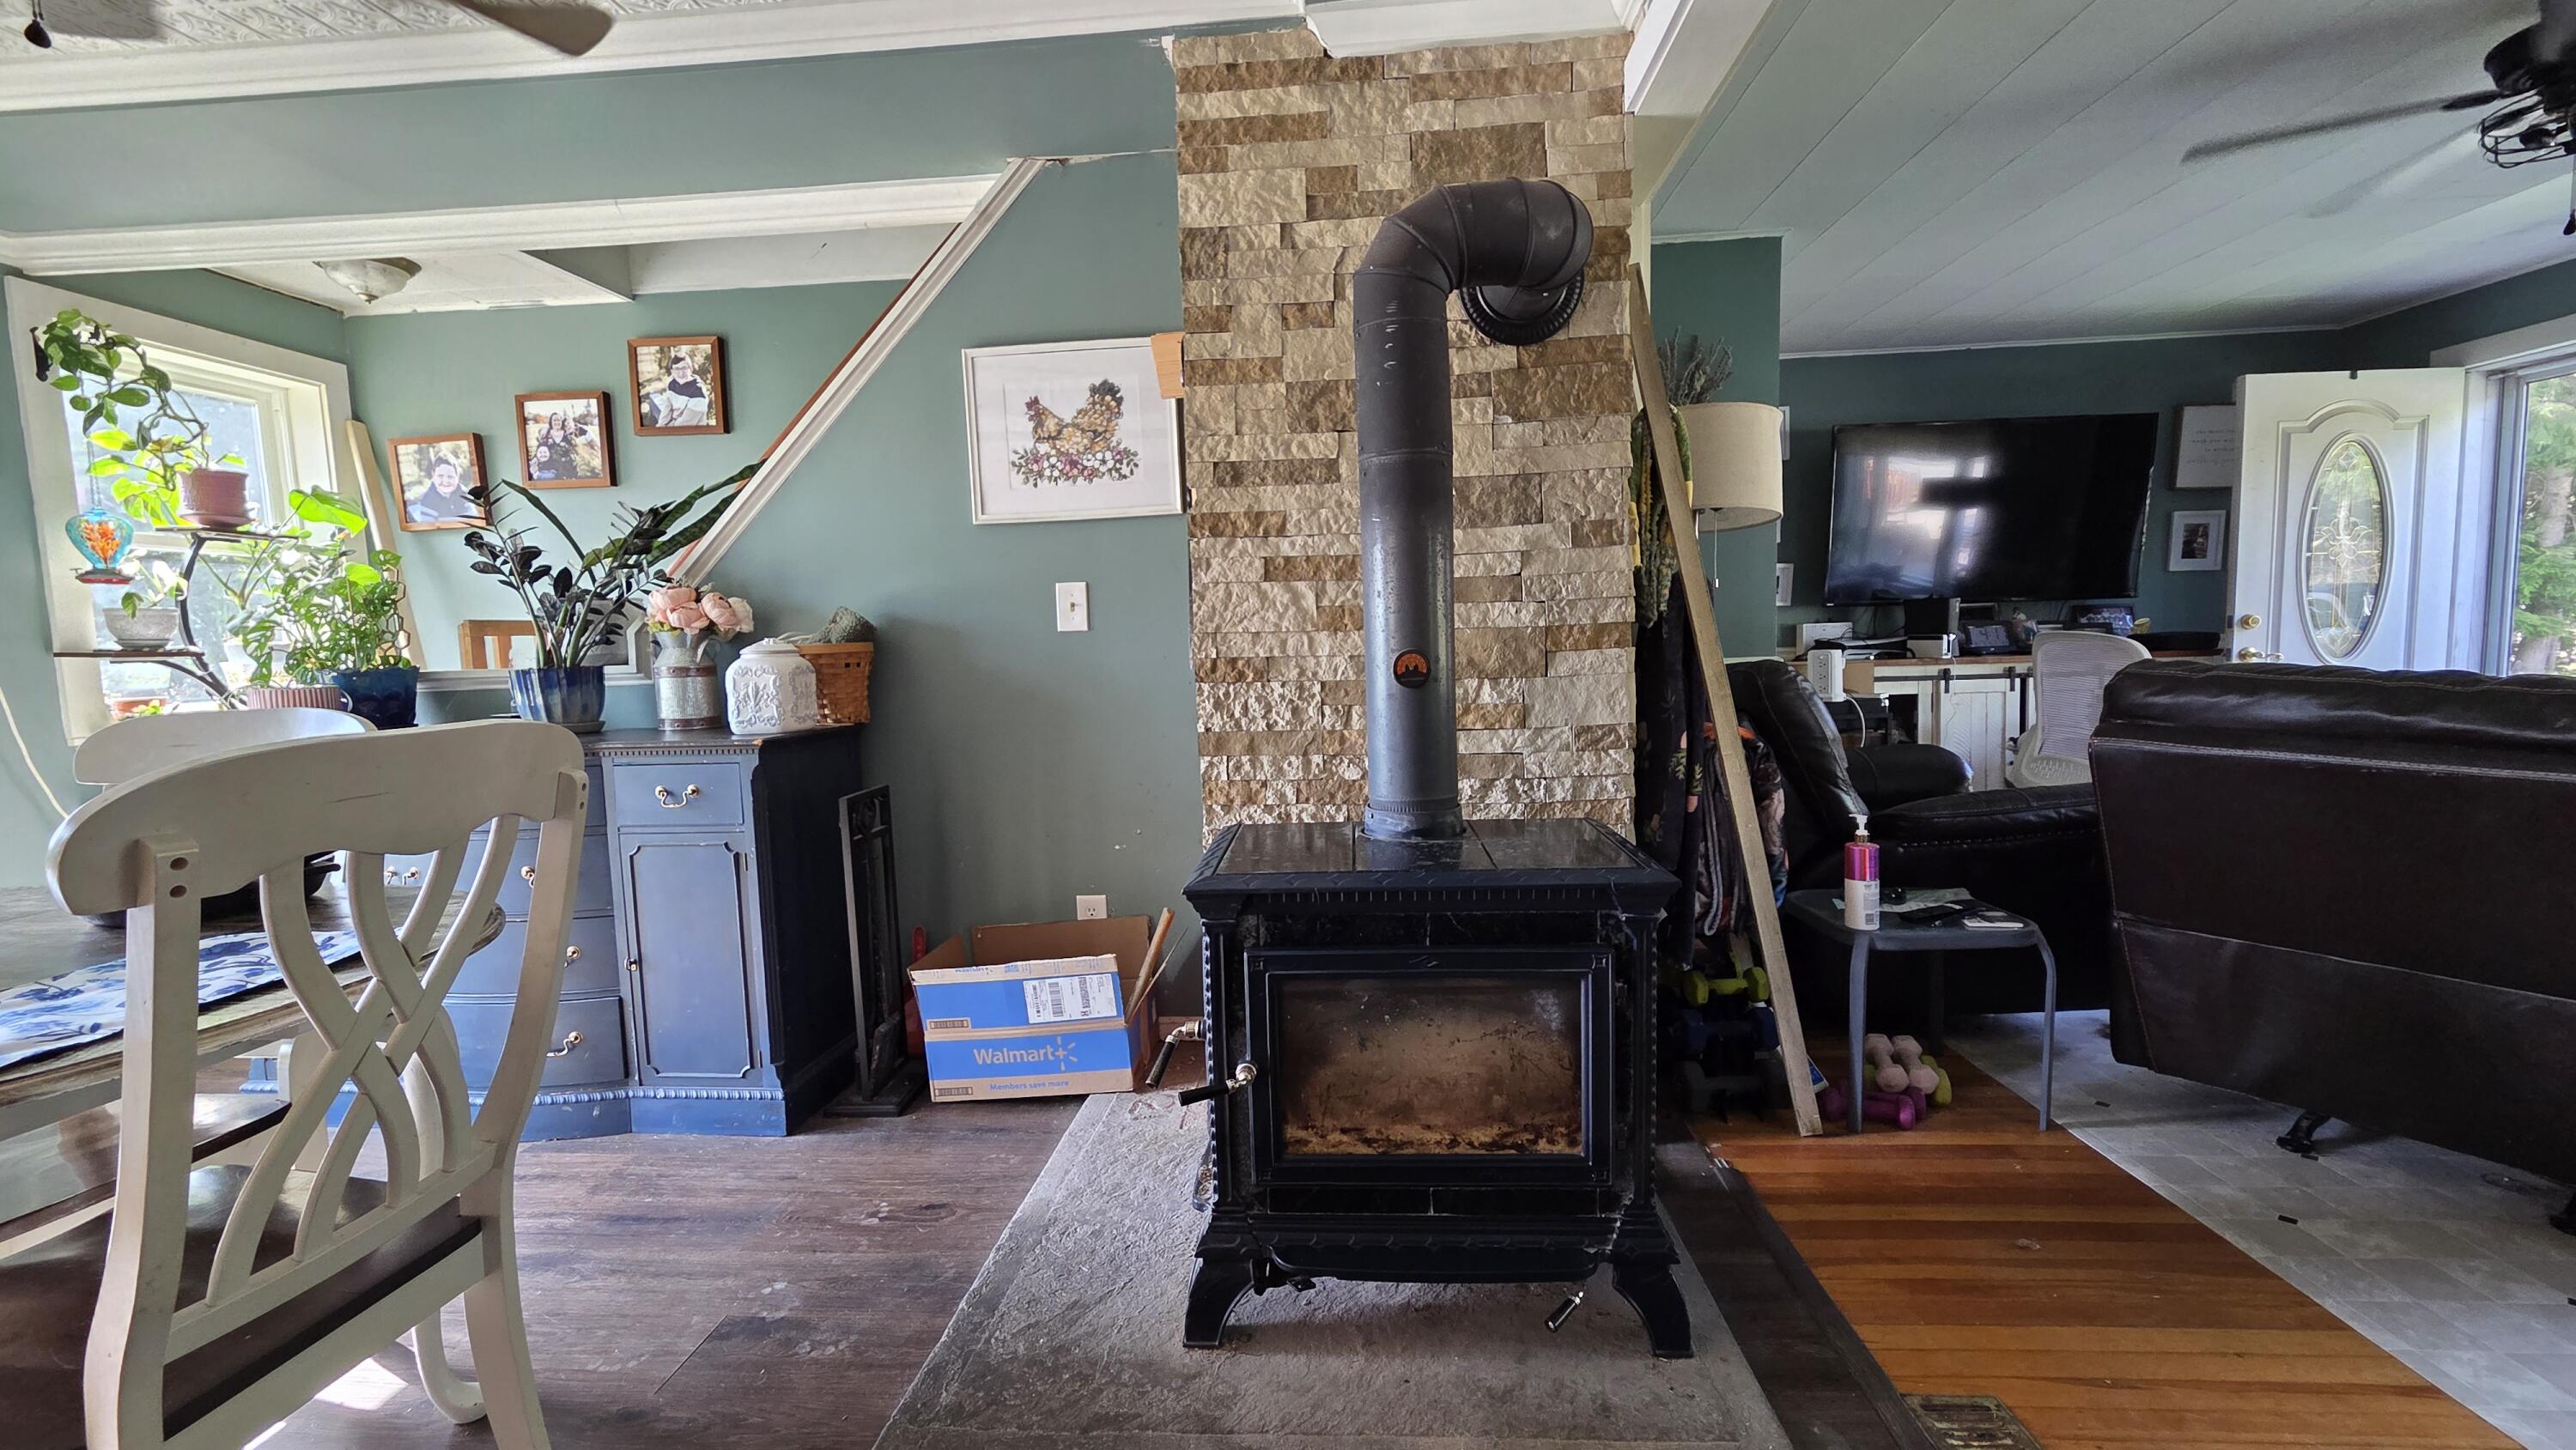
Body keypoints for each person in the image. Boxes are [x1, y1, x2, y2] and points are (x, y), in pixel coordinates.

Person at [647, 347, 711, 428]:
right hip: (675, 425)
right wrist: (660, 426)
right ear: (672, 371)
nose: (681, 373)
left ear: (691, 369)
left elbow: (687, 422)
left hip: (693, 430)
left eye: (684, 368)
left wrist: (668, 427)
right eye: (677, 369)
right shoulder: (672, 384)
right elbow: (667, 409)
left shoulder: (698, 389)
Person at [408, 453, 477, 524]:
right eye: (440, 476)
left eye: (450, 476)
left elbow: (474, 522)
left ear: (457, 476)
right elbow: (429, 528)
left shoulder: (468, 497)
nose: (446, 481)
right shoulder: (427, 500)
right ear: (433, 475)